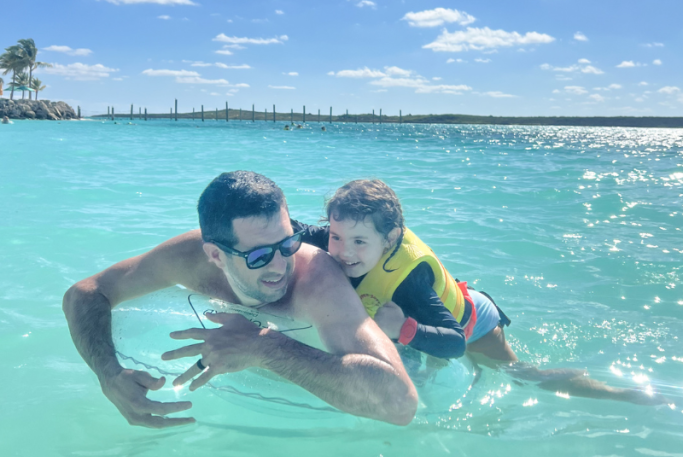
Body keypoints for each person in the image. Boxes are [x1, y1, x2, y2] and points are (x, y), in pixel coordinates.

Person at [62, 171, 418, 429]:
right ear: (216, 256)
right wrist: (108, 374)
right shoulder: (188, 259)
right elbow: (85, 293)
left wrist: (265, 348)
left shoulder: (317, 281)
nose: (280, 266)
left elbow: (400, 405)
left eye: (287, 244)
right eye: (259, 256)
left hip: (310, 415)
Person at [292, 178, 665, 404]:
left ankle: (624, 395)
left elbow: (454, 343)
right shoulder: (339, 239)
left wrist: (404, 328)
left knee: (522, 376)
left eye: (358, 241)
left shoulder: (409, 281)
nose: (342, 251)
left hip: (471, 322)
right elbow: (288, 228)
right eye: (336, 237)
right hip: (420, 319)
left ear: (390, 239)